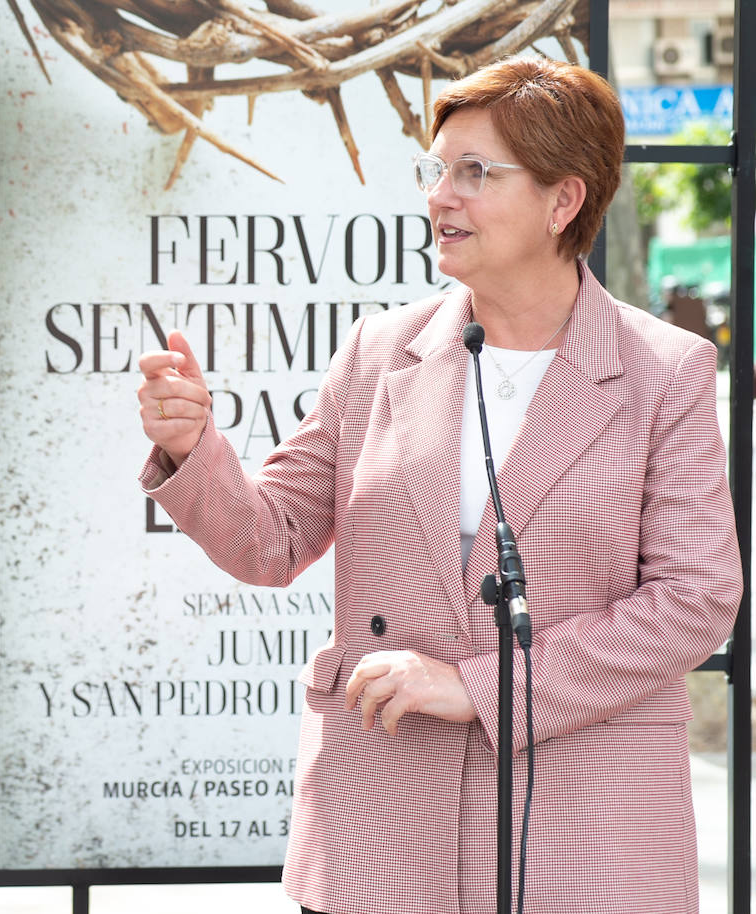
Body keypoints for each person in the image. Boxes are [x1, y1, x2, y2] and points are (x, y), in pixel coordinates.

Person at [136, 58, 740, 914]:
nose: (440, 196)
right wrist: (193, 447)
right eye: (435, 169)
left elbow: (693, 598)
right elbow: (270, 542)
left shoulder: (665, 371)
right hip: (382, 809)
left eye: (475, 172)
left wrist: (483, 687)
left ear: (563, 201)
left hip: (586, 816)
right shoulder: (379, 352)